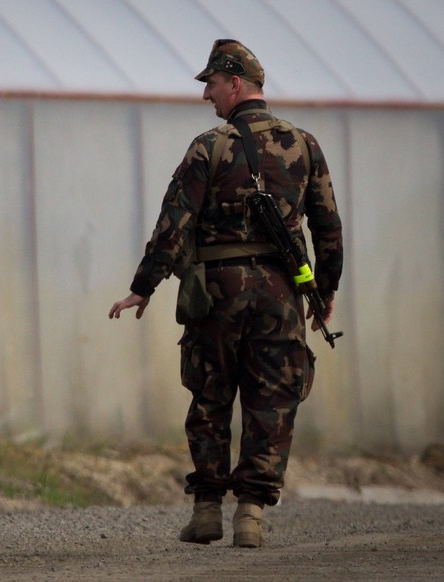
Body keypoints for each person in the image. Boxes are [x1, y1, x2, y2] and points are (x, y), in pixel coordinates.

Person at [108, 40, 342, 547]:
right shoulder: (304, 144)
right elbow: (329, 229)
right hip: (281, 294)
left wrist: (142, 288)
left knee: (210, 397)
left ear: (235, 83)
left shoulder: (208, 146)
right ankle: (251, 514)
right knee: (272, 402)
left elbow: (173, 223)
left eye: (211, 84)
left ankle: (209, 510)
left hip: (216, 292)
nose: (206, 95)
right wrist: (324, 292)